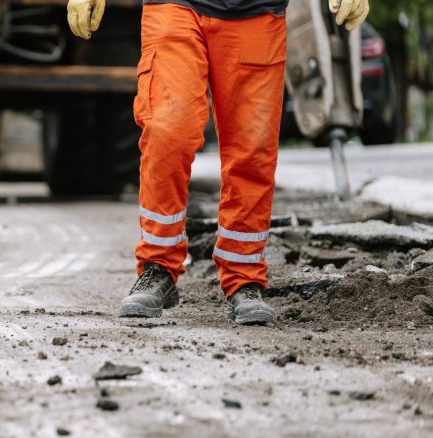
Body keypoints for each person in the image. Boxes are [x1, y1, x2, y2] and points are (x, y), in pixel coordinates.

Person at [66, 0, 369, 324]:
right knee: (168, 129)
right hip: (175, 6)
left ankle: (244, 279)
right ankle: (157, 268)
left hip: (257, 11)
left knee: (252, 149)